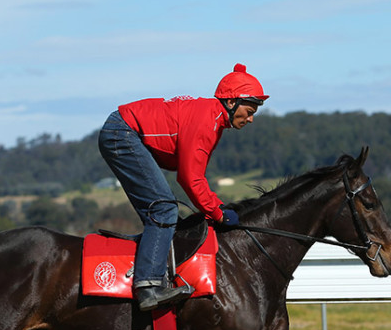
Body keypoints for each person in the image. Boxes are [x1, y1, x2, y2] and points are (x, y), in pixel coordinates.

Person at [98, 63, 269, 311]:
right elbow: (190, 179)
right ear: (231, 103)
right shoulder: (207, 122)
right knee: (163, 210)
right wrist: (218, 213)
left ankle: (157, 275)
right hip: (122, 132)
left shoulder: (213, 119)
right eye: (250, 110)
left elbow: (195, 175)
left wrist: (216, 206)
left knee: (166, 215)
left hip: (124, 129)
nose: (252, 118)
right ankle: (148, 287)